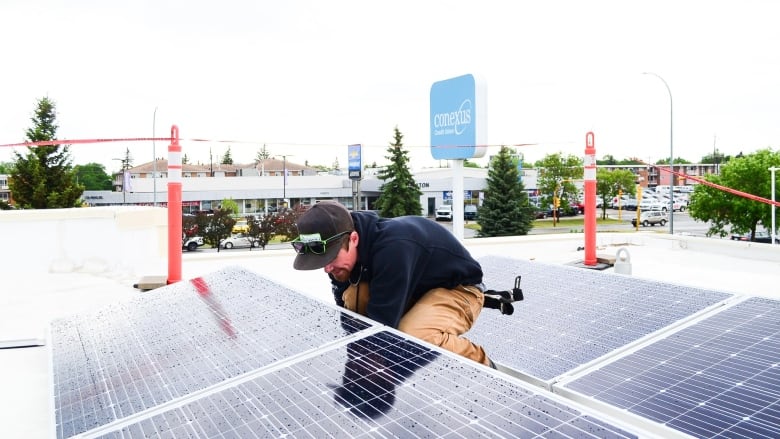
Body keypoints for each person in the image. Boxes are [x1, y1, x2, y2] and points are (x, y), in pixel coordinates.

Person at [291, 201, 494, 368]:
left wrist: (375, 362)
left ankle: (486, 367)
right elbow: (348, 316)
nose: (327, 269)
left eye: (331, 259)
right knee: (354, 305)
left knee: (412, 336)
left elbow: (381, 329)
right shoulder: (339, 255)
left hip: (459, 290)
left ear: (353, 239)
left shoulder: (393, 248)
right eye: (322, 262)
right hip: (414, 288)